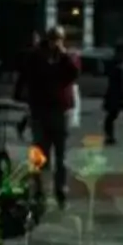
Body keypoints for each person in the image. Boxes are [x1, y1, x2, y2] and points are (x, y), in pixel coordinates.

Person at [13, 26, 81, 197]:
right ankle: (39, 187)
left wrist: (64, 54)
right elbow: (27, 75)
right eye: (52, 39)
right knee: (39, 153)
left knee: (61, 154)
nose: (55, 43)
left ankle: (60, 187)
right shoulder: (37, 57)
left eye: (58, 39)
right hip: (41, 110)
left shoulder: (67, 57)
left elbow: (74, 73)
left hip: (60, 111)